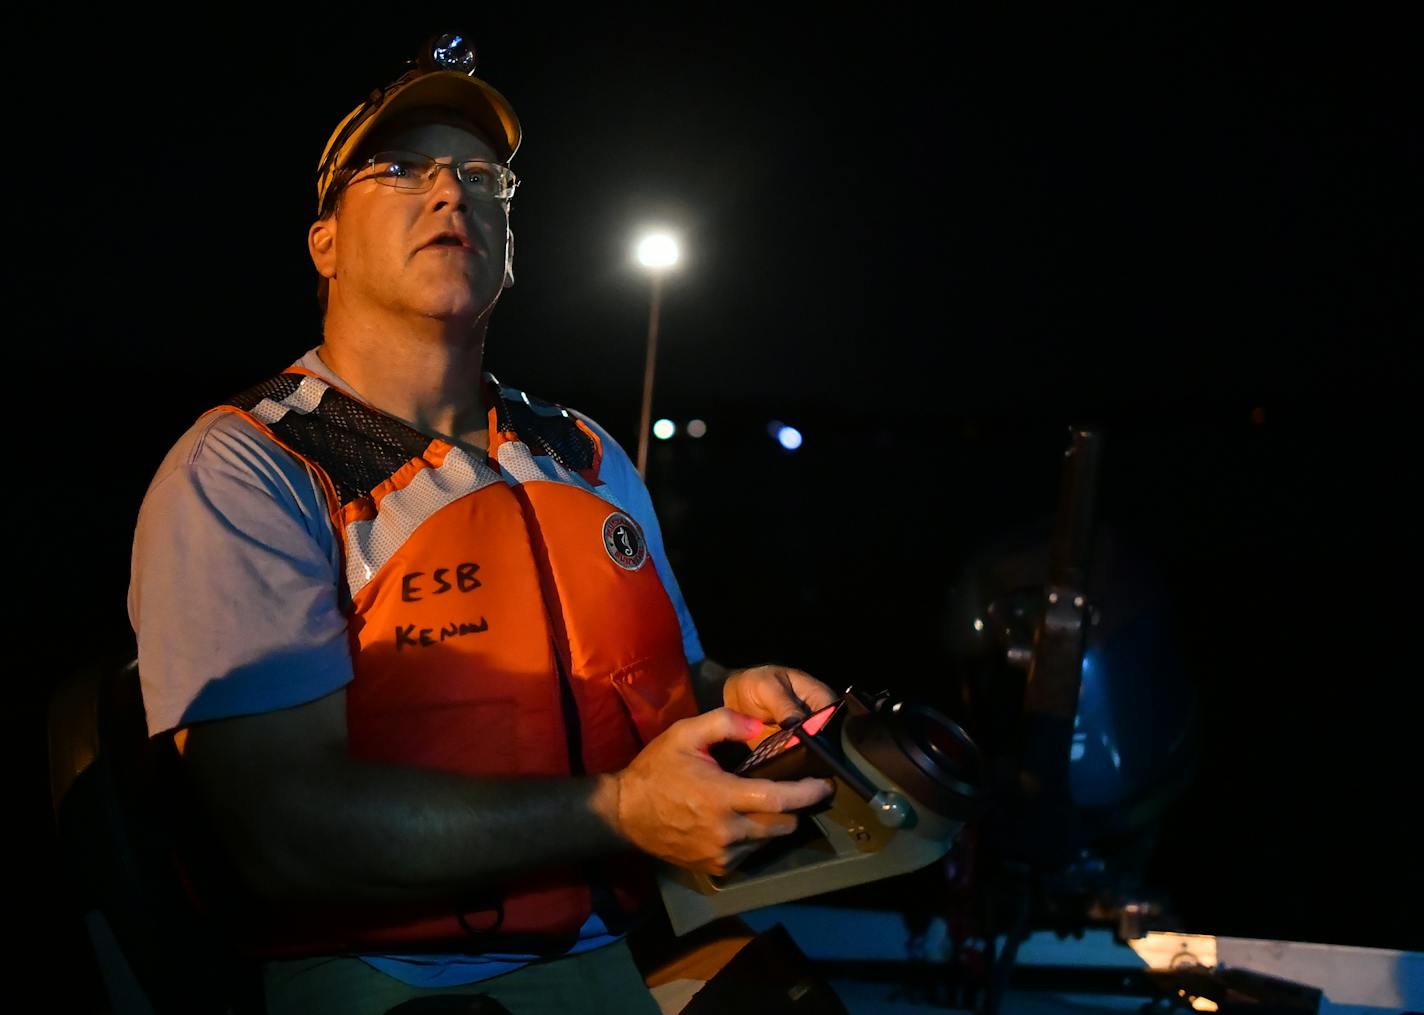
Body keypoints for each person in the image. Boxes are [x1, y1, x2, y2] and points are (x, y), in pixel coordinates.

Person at [127, 32, 837, 1015]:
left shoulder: (582, 452)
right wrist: (620, 810)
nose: (451, 193)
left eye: (480, 178)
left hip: (622, 937)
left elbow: (674, 677)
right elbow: (281, 831)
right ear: (322, 241)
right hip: (387, 976)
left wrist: (735, 695)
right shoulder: (255, 467)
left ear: (511, 243)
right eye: (398, 169)